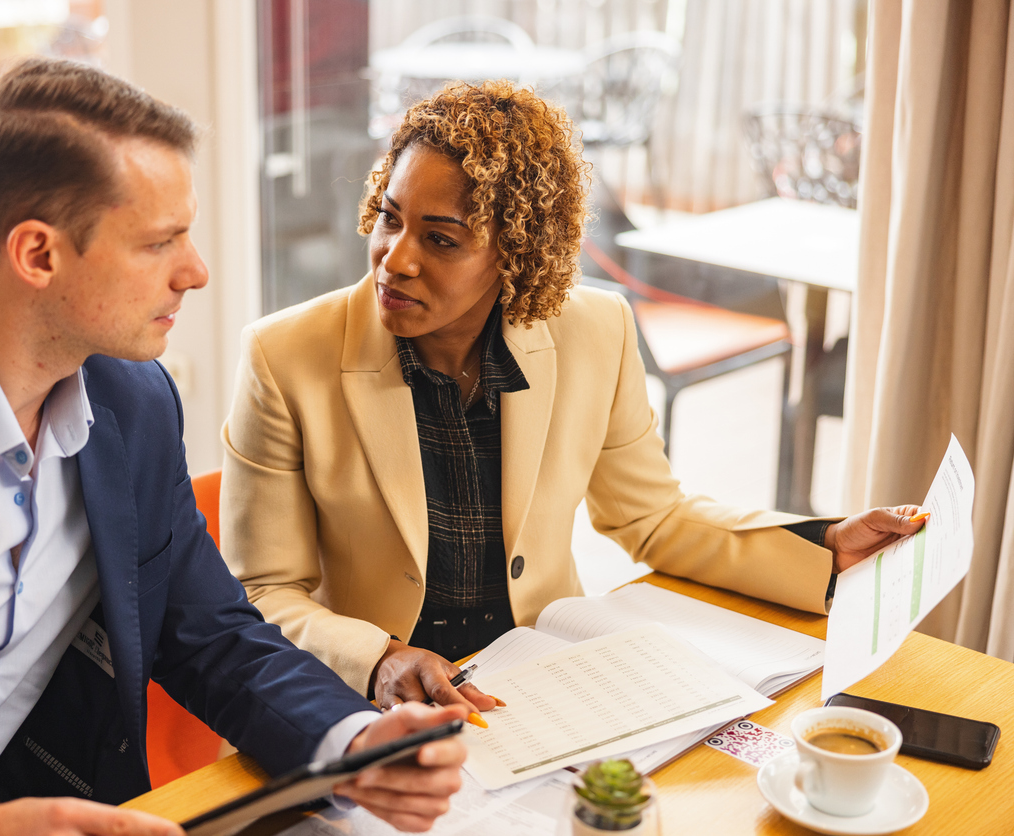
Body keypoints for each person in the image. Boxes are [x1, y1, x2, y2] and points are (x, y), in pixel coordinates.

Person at [0, 58, 468, 836]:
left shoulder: (133, 402)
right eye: (160, 242)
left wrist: (352, 742)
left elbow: (208, 634)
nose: (195, 272)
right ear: (37, 254)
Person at [221, 80, 926, 717]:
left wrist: (822, 546)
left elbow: (651, 519)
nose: (395, 257)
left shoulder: (595, 330)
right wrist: (376, 657)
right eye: (389, 217)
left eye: (440, 239)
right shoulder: (284, 356)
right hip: (360, 703)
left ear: (516, 252)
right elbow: (261, 591)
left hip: (537, 687)